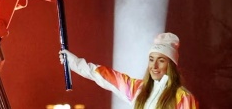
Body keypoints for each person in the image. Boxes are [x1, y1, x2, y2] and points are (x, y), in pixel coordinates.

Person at [59, 32, 198, 109]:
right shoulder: (138, 89)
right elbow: (103, 75)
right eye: (151, 59)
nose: (154, 66)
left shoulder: (183, 97)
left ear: (171, 65)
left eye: (161, 60)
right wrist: (73, 62)